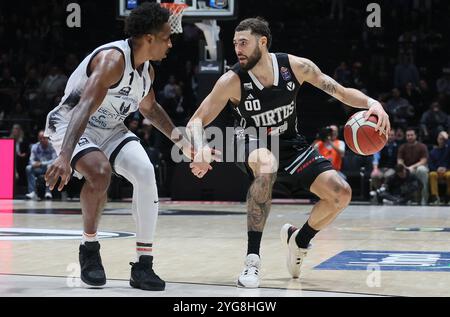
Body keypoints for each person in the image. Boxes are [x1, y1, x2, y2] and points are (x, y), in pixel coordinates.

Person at [187, 18, 390, 288]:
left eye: (244, 42)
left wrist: (372, 103)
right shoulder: (232, 80)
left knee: (341, 193)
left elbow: (339, 92)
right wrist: (200, 147)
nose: (238, 49)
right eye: (235, 43)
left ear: (263, 42)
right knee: (267, 163)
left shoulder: (295, 67)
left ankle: (300, 239)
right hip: (250, 142)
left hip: (292, 145)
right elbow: (196, 120)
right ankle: (252, 261)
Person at [44, 3, 191, 291]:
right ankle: (89, 249)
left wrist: (183, 143)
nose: (170, 43)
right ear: (148, 38)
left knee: (146, 172)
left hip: (110, 129)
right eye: (166, 37)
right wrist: (64, 156)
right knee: (100, 172)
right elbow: (84, 107)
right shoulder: (113, 60)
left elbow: (149, 109)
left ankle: (143, 265)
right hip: (71, 123)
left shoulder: (146, 72)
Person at [397, 128, 429, 205]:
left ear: (415, 136)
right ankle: (402, 198)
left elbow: (423, 161)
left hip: (418, 167)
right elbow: (400, 161)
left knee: (422, 170)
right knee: (399, 170)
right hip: (406, 169)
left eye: (411, 135)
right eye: (408, 135)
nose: (410, 137)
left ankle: (424, 198)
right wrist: (405, 168)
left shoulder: (422, 146)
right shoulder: (402, 147)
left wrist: (412, 167)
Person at [25, 130, 57, 200]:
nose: (42, 140)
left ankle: (48, 192)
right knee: (28, 168)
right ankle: (32, 192)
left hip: (49, 168)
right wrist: (34, 164)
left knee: (50, 167)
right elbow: (31, 160)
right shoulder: (35, 147)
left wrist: (41, 163)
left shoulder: (53, 146)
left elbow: (54, 160)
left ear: (48, 138)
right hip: (39, 168)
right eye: (40, 138)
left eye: (44, 138)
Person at [428, 131, 450, 205]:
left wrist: (447, 138)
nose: (441, 140)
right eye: (440, 138)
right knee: (432, 175)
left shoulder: (448, 150)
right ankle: (435, 197)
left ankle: (448, 196)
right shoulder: (433, 151)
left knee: (449, 175)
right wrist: (436, 169)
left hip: (447, 170)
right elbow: (430, 164)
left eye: (443, 139)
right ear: (437, 140)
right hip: (436, 171)